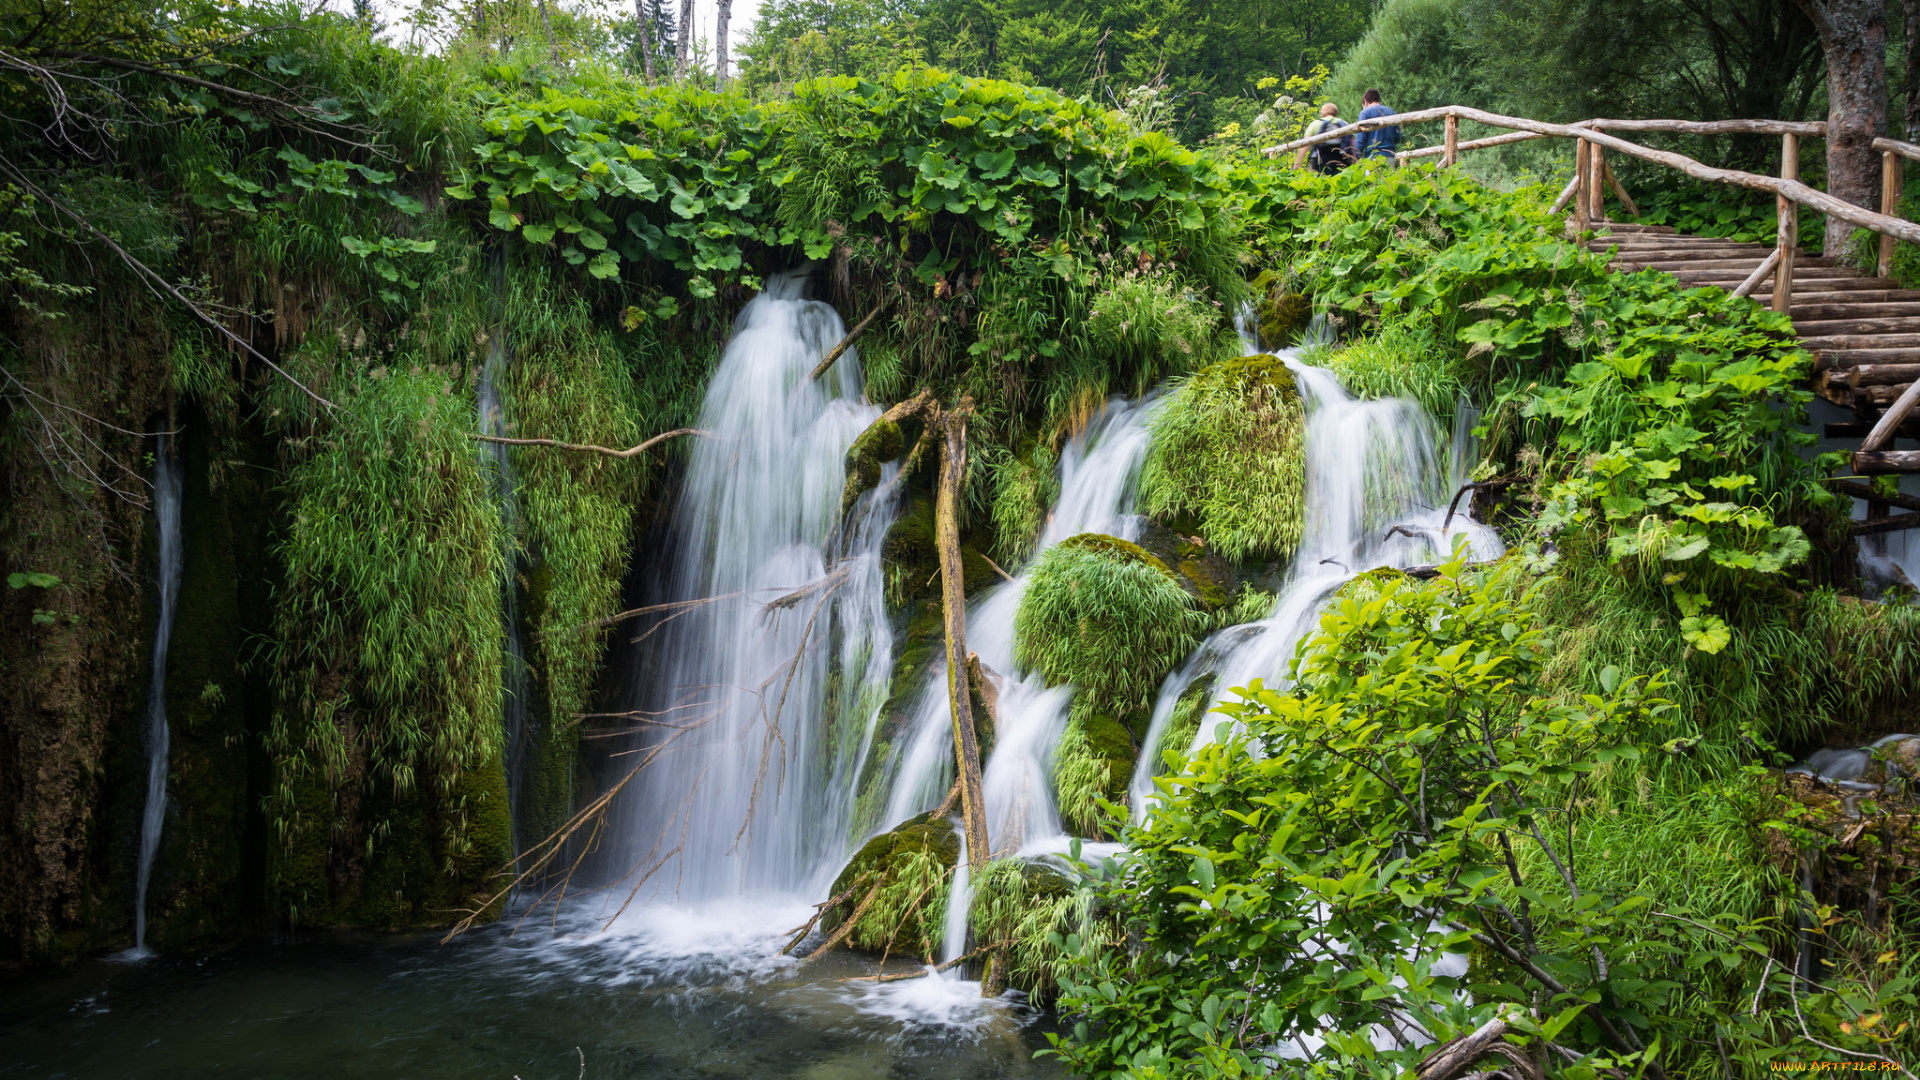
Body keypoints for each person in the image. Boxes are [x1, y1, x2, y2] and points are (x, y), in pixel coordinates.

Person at [1298, 103, 1354, 175]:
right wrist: (1355, 160)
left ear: (1322, 113)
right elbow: (1352, 144)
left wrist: (1297, 163)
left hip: (1320, 160)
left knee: (1320, 180)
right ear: (1336, 113)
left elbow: (1305, 144)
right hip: (1341, 159)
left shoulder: (1315, 124)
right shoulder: (1344, 124)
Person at [1355, 89, 1401, 161]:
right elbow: (1397, 136)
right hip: (1390, 155)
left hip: (1372, 156)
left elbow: (1360, 139)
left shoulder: (1365, 113)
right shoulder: (1391, 112)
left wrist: (1357, 156)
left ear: (1365, 101)